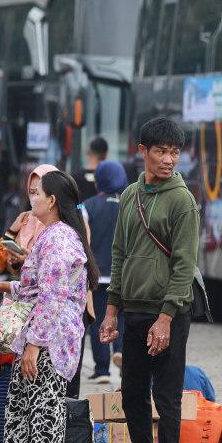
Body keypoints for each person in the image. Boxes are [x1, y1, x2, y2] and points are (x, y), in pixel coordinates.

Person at [97, 117, 199, 443]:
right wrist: (111, 310)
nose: (168, 160)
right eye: (160, 151)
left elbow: (184, 265)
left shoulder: (182, 200)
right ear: (142, 151)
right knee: (132, 393)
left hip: (169, 312)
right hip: (133, 311)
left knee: (167, 395)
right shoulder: (130, 195)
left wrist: (166, 317)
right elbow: (119, 254)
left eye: (174, 152)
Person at [0, 169, 95, 443]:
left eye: (37, 193)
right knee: (21, 409)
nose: (31, 199)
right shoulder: (52, 234)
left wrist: (34, 345)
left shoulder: (59, 239)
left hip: (51, 340)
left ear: (52, 200)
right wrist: (6, 286)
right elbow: (35, 289)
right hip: (42, 335)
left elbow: (52, 297)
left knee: (44, 412)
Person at [82, 159, 128, 382]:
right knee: (122, 317)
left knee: (99, 318)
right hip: (125, 275)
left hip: (97, 275)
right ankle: (120, 351)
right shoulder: (130, 204)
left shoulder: (86, 206)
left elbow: (83, 238)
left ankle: (102, 369)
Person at [15, 164, 57, 251]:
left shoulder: (63, 229)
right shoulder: (25, 219)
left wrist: (29, 258)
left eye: (38, 193)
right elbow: (2, 253)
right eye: (31, 192)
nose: (34, 198)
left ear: (52, 198)